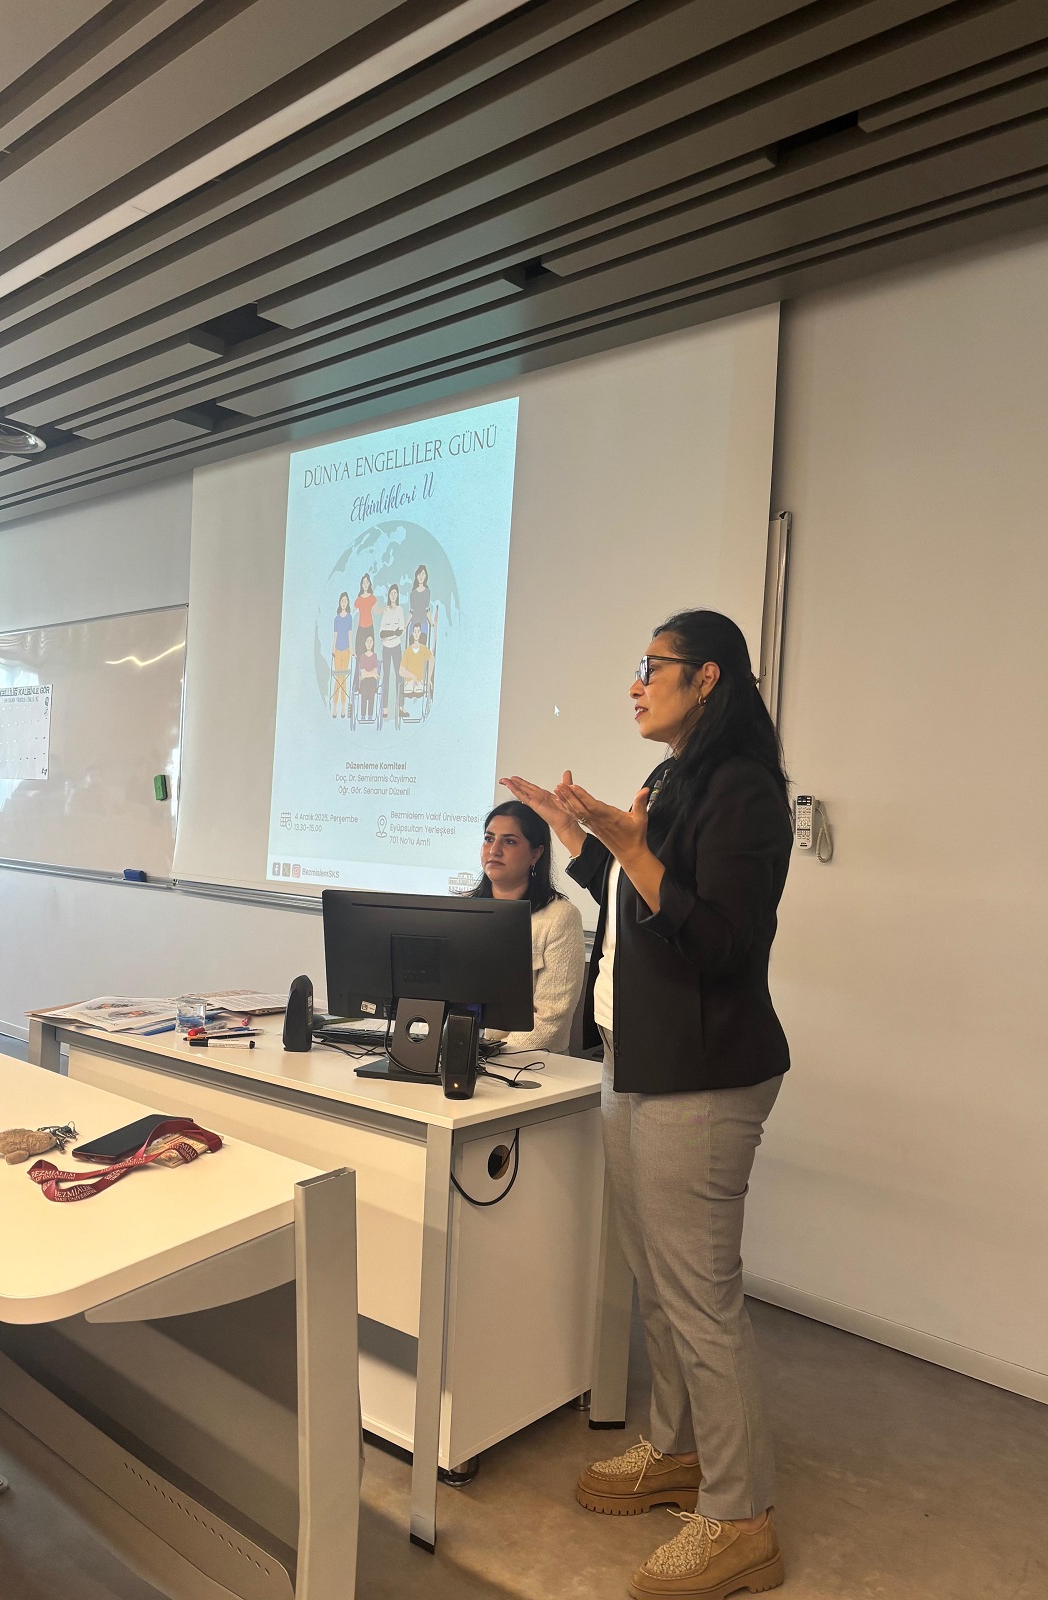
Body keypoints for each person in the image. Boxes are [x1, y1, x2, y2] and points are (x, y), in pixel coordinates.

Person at [502, 609, 793, 1600]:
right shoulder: (673, 779)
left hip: (703, 1073)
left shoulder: (743, 789)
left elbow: (720, 941)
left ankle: (741, 1517)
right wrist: (584, 843)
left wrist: (629, 845)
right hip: (637, 1056)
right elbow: (645, 909)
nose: (635, 684)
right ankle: (677, 1448)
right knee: (658, 1284)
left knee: (701, 1298)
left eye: (651, 667)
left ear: (707, 678)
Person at [471, 801, 585, 1054]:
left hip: (529, 1063)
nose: (494, 850)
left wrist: (490, 1056)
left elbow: (551, 1019)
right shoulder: (464, 910)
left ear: (536, 853)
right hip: (461, 1053)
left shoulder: (559, 917)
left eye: (509, 841)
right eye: (489, 839)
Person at [378, 583, 406, 715]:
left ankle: (400, 706)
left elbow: (401, 631)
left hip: (396, 647)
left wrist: (390, 634)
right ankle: (385, 708)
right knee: (386, 677)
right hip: (386, 648)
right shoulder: (386, 610)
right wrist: (393, 632)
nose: (393, 595)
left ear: (397, 595)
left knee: (399, 676)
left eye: (395, 593)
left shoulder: (400, 609)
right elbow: (381, 633)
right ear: (389, 595)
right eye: (391, 593)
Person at [330, 591, 352, 718]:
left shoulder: (349, 617)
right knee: (338, 678)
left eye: (345, 601)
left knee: (343, 678)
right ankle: (335, 707)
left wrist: (351, 648)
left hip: (346, 650)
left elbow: (350, 633)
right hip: (338, 650)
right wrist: (333, 649)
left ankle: (343, 707)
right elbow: (335, 635)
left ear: (347, 603)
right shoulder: (336, 619)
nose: (344, 603)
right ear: (339, 603)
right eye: (342, 601)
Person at [398, 623, 434, 701]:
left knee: (418, 692)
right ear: (412, 633)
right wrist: (412, 676)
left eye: (418, 631)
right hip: (409, 681)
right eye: (415, 631)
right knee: (409, 692)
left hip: (419, 680)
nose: (416, 633)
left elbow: (432, 659)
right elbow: (401, 671)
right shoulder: (407, 651)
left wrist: (429, 678)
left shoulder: (423, 649)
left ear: (420, 633)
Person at [353, 632, 379, 720]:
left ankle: (370, 715)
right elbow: (363, 673)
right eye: (367, 641)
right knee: (363, 692)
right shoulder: (362, 656)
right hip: (364, 682)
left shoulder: (374, 656)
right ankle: (363, 715)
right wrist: (372, 674)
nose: (369, 643)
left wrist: (369, 674)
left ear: (373, 643)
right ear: (365, 643)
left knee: (372, 692)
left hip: (372, 681)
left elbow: (375, 672)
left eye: (371, 641)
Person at [408, 563, 431, 642]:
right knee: (412, 644)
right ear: (417, 576)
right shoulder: (413, 593)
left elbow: (427, 609)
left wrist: (431, 623)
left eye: (423, 574)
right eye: (419, 574)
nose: (421, 577)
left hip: (423, 622)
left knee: (422, 644)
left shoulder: (427, 592)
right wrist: (406, 625)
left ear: (425, 576)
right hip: (414, 622)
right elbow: (411, 610)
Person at [353, 572, 377, 637]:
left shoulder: (372, 598)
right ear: (361, 585)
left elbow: (377, 610)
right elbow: (353, 611)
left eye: (367, 582)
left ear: (369, 583)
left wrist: (384, 609)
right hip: (361, 626)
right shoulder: (359, 599)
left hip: (370, 625)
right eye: (364, 583)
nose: (365, 585)